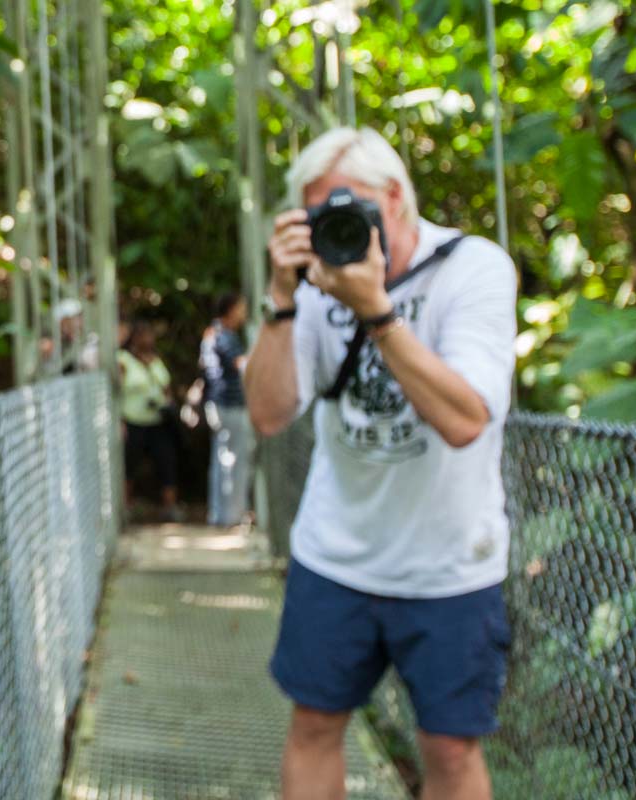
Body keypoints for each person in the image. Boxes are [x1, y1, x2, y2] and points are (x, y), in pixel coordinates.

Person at [244, 127, 516, 800]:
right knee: (313, 723)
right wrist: (282, 300)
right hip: (336, 554)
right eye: (317, 214)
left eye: (348, 205)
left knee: (451, 748)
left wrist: (377, 312)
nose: (334, 224)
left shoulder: (473, 267)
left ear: (395, 198)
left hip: (451, 564)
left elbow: (465, 420)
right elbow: (269, 414)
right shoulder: (314, 284)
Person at [118, 320, 180, 522]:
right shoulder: (124, 360)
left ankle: (169, 507)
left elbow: (166, 387)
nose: (147, 340)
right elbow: (116, 392)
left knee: (166, 461)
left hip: (158, 422)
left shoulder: (155, 360)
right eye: (143, 335)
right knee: (129, 465)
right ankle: (125, 508)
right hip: (134, 421)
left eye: (150, 335)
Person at [201, 292, 253, 528]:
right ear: (231, 309)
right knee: (233, 460)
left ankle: (220, 514)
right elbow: (241, 365)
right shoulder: (224, 335)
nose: (244, 313)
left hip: (218, 404)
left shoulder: (211, 333)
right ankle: (231, 516)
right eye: (241, 307)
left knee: (222, 459)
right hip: (229, 405)